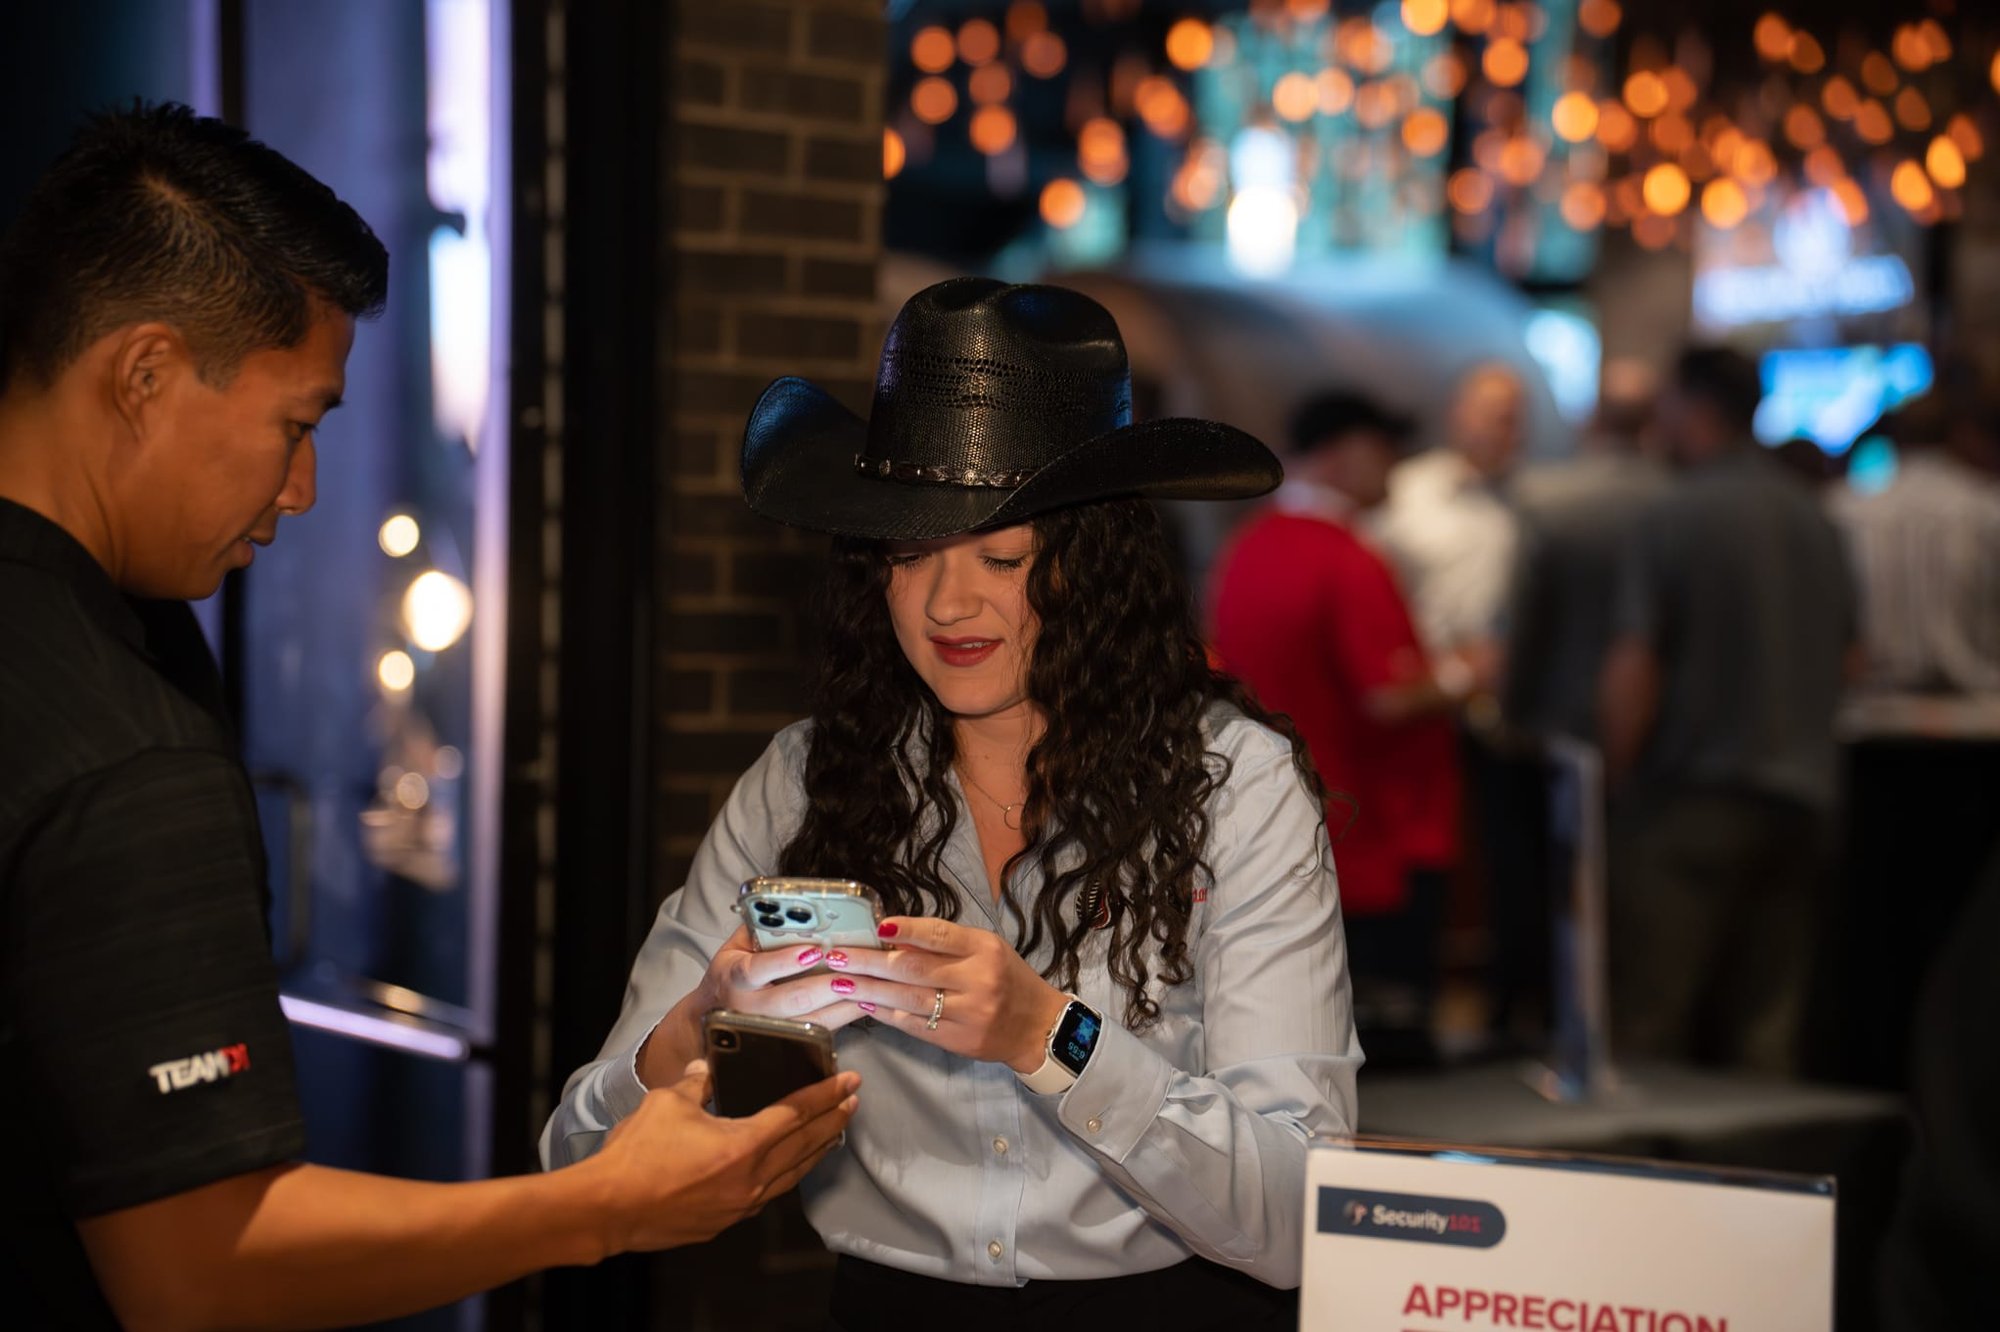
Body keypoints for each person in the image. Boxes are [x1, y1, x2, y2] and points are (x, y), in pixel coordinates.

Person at [0, 102, 855, 1331]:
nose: (300, 490)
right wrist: (604, 1206)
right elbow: (198, 1265)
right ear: (141, 372)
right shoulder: (122, 739)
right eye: (294, 426)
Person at [546, 278, 1361, 1330]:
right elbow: (578, 1157)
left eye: (1002, 555)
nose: (946, 603)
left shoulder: (1229, 786)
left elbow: (1305, 1212)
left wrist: (1050, 1038)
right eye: (908, 551)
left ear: (1090, 566)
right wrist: (699, 1029)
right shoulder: (804, 782)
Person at [1597, 346, 1858, 1075]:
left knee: (1652, 1024)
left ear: (1695, 408)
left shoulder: (1674, 513)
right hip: (1803, 801)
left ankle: (1648, 1190)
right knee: (1767, 1032)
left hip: (1691, 800)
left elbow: (1634, 664)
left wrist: (1619, 778)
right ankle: (1767, 1186)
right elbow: (1853, 659)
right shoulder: (1817, 515)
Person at [1209, 390, 1461, 1063]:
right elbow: (1389, 696)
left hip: (1273, 822)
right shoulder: (1347, 558)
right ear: (1348, 452)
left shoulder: (1248, 548)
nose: (1395, 467)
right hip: (1370, 828)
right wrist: (1468, 673)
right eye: (1385, 449)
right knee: (1390, 1049)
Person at [1368, 360, 1527, 673]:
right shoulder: (1404, 491)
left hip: (1499, 682)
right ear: (1457, 412)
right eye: (1486, 413)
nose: (1495, 428)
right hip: (1420, 677)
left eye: (1508, 419)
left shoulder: (1527, 504)